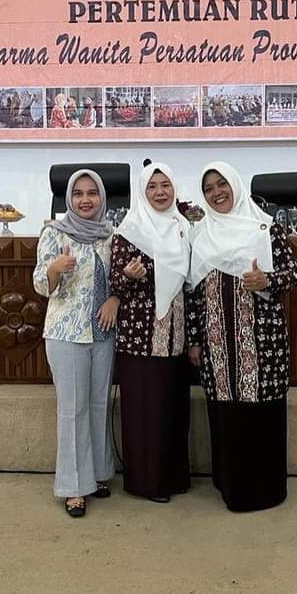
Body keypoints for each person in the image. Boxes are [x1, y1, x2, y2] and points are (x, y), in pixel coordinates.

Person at [186, 162, 297, 512]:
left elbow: (293, 273)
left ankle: (265, 490)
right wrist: (194, 340)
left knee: (261, 410)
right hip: (216, 343)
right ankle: (230, 486)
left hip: (261, 341)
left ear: (235, 185)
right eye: (208, 189)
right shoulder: (199, 233)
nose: (216, 193)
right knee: (226, 412)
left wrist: (267, 280)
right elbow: (191, 293)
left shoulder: (263, 228)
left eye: (222, 184)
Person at [33, 170, 120, 518]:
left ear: (102, 197)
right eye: (78, 193)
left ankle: (96, 475)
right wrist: (55, 268)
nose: (85, 199)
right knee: (73, 410)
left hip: (103, 332)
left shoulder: (110, 235)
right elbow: (40, 284)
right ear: (68, 198)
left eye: (92, 193)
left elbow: (120, 280)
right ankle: (73, 488)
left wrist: (114, 298)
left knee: (99, 405)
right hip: (66, 333)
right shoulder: (54, 233)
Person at [110, 162, 192, 503]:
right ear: (142, 193)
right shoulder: (129, 231)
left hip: (175, 336)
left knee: (172, 409)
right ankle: (148, 483)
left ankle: (174, 478)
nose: (160, 192)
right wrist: (128, 277)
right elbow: (113, 285)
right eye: (152, 186)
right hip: (140, 338)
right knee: (146, 411)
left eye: (165, 185)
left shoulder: (184, 227)